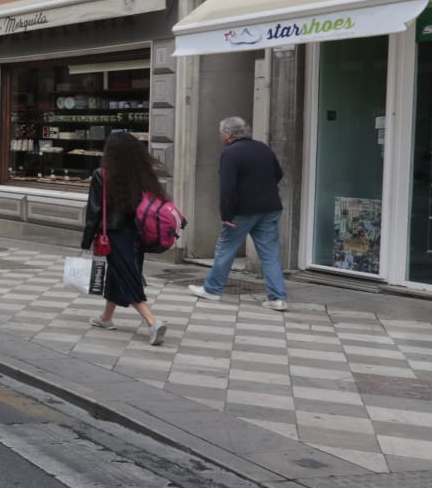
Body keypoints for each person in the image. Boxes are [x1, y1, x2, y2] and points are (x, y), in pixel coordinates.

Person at [190, 116, 288, 311]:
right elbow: (278, 174)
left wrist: (227, 214)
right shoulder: (263, 148)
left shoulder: (230, 154)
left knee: (226, 249)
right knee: (269, 254)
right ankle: (278, 298)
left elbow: (227, 188)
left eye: (220, 133)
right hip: (270, 208)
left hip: (243, 211)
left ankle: (212, 289)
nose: (220, 137)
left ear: (228, 135)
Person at [81, 130, 169, 345]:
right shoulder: (143, 174)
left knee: (127, 275)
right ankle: (106, 318)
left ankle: (152, 321)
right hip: (139, 232)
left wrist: (86, 241)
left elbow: (94, 210)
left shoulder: (102, 174)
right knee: (121, 273)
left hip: (114, 233)